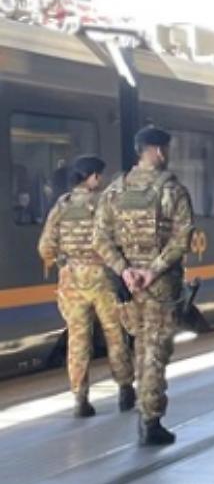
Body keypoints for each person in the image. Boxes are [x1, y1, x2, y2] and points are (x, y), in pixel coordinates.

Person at [94, 126, 193, 446]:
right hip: (159, 286)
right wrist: (152, 271)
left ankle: (141, 407)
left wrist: (124, 271)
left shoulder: (114, 189)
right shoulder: (172, 190)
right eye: (166, 149)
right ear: (159, 150)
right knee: (154, 352)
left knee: (138, 346)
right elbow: (183, 237)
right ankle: (150, 421)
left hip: (127, 287)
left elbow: (100, 239)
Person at [38, 155, 135, 418]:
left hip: (72, 280)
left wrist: (65, 262)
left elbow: (45, 246)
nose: (100, 180)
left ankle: (80, 398)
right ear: (91, 176)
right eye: (98, 175)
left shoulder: (62, 205)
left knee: (78, 339)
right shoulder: (105, 203)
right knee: (115, 335)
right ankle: (125, 388)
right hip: (102, 277)